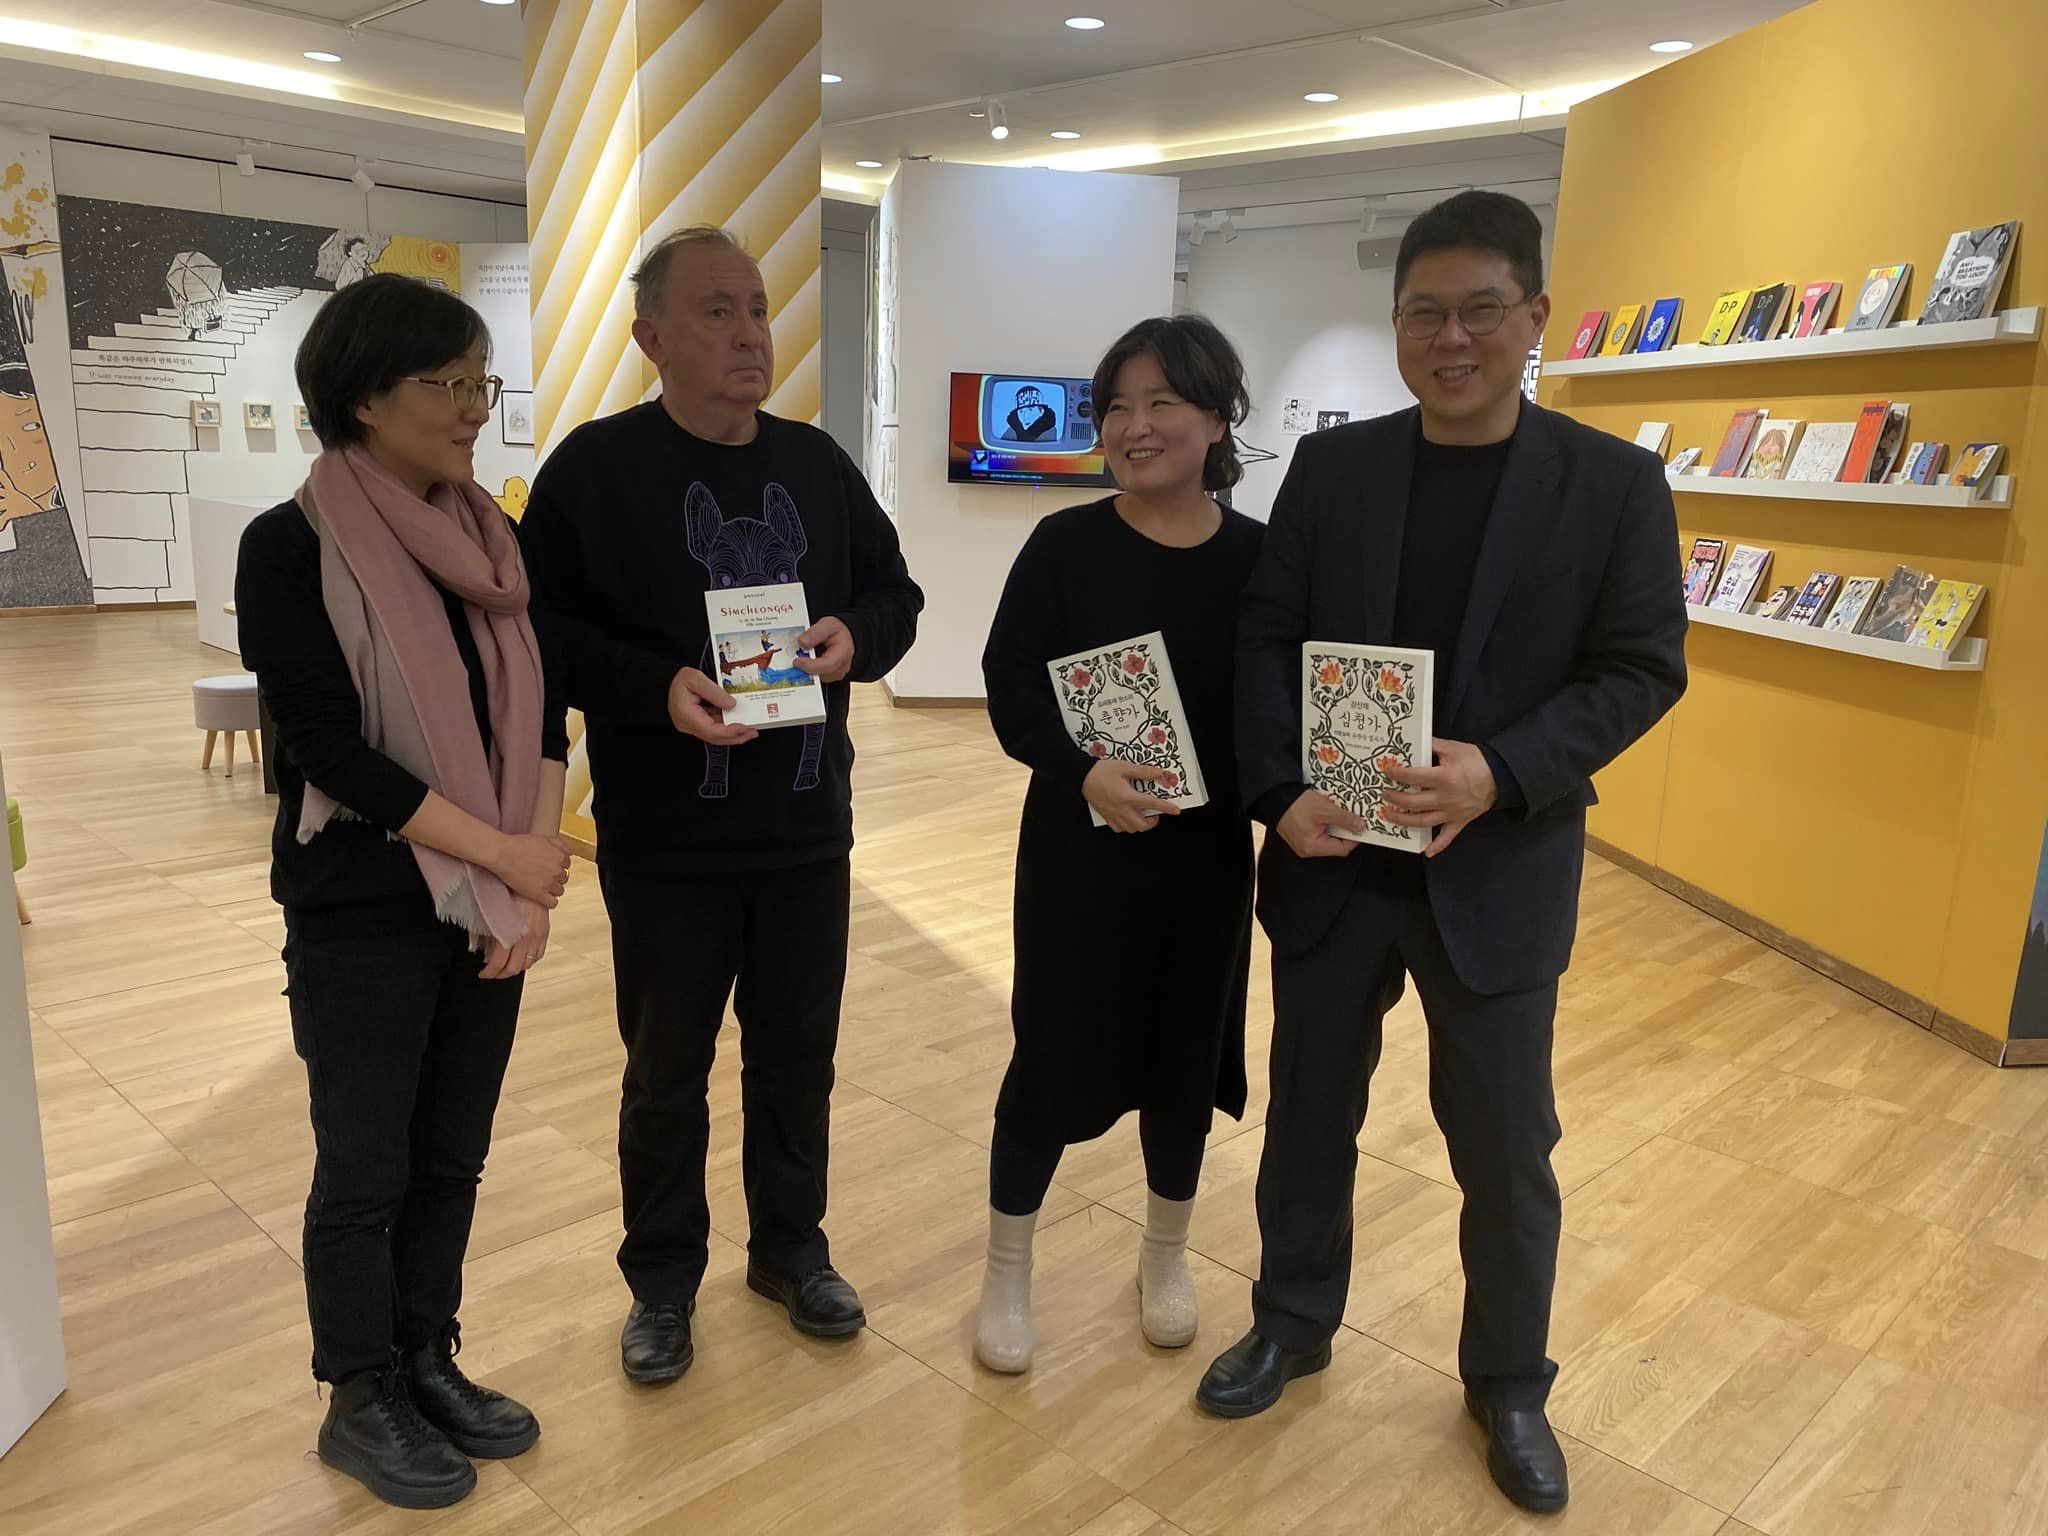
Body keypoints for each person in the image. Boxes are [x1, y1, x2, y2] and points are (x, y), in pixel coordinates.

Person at [1199, 191, 1689, 1516]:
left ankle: (1509, 1382)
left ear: (1534, 316)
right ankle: (1292, 1319)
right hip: (1333, 858)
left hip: (1496, 870)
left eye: (1481, 310)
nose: (1451, 337)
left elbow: (1641, 668)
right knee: (1310, 1113)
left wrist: (1502, 769)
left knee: (1505, 1148)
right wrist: (1277, 792)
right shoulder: (1336, 471)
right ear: (1397, 322)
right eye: (1425, 313)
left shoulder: (1612, 485)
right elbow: (1267, 634)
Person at [517, 226, 923, 1387]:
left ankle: (791, 1252)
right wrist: (654, 686)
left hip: (804, 836)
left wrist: (855, 637)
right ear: (650, 338)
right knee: (665, 1076)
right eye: (716, 312)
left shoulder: (817, 465)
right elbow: (537, 636)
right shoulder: (593, 473)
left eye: (756, 308)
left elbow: (894, 593)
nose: (750, 333)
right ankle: (660, 1282)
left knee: (797, 1061)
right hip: (665, 843)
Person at [235, 274, 574, 1510]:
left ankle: (428, 1357)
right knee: (365, 1170)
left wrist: (528, 879)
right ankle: (358, 1393)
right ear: (366, 398)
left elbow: (544, 708)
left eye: (483, 381)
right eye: (450, 383)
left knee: (452, 1157)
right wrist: (501, 858)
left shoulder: (494, 544)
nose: (476, 407)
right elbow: (330, 749)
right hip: (361, 907)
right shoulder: (289, 547)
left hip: (488, 900)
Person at [975, 315, 1263, 1373]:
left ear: (1216, 419)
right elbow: (1010, 686)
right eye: (1116, 407)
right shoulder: (1065, 546)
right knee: (1050, 1052)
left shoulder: (1259, 560)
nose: (1134, 426)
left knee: (1186, 1053)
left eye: (1161, 403)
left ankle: (1164, 1259)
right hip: (1079, 858)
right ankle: (1007, 1272)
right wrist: (1083, 769)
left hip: (1204, 863)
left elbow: (1276, 710)